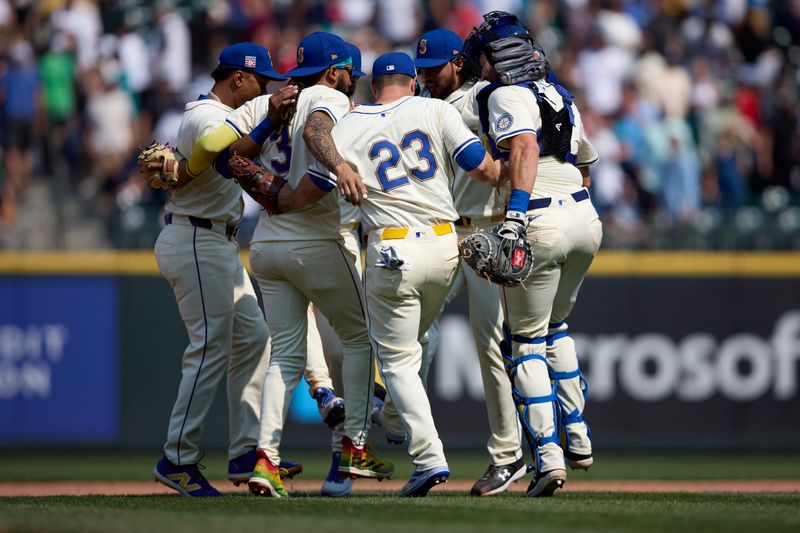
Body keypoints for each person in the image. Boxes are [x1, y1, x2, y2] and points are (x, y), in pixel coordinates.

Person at [190, 32, 394, 498]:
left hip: (266, 246)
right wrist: (320, 177)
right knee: (361, 339)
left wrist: (271, 190)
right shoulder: (328, 96)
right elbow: (315, 133)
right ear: (334, 71)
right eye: (350, 74)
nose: (353, 83)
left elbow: (227, 160)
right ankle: (353, 446)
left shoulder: (270, 103)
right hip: (318, 241)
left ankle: (266, 460)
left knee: (284, 356)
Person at [304, 52, 504, 497]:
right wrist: (515, 170)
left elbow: (318, 166)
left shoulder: (348, 127)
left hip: (393, 248)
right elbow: (482, 167)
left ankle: (428, 457)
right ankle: (393, 416)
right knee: (417, 341)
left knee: (395, 361)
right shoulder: (436, 108)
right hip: (445, 243)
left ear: (372, 87)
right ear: (413, 82)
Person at [144, 42, 297, 497]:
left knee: (254, 339)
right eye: (259, 81)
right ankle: (177, 458)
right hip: (194, 237)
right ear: (237, 79)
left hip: (215, 241)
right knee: (209, 345)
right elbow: (220, 152)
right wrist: (268, 115)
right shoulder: (203, 115)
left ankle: (245, 450)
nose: (263, 88)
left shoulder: (225, 113)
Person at [463, 11, 601, 496]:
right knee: (555, 328)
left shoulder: (505, 94)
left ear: (497, 55)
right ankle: (579, 435)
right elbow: (586, 161)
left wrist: (517, 217)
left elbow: (521, 146)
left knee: (523, 342)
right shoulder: (558, 94)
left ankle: (548, 456)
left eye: (481, 52)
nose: (476, 60)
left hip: (539, 212)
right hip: (584, 214)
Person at [415, 28, 525, 496]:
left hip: (484, 226)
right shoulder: (420, 104)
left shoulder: (487, 97)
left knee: (492, 344)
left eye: (434, 68)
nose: (425, 76)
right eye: (420, 68)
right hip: (442, 230)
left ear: (458, 63)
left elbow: (520, 149)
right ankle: (396, 413)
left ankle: (509, 453)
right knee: (410, 323)